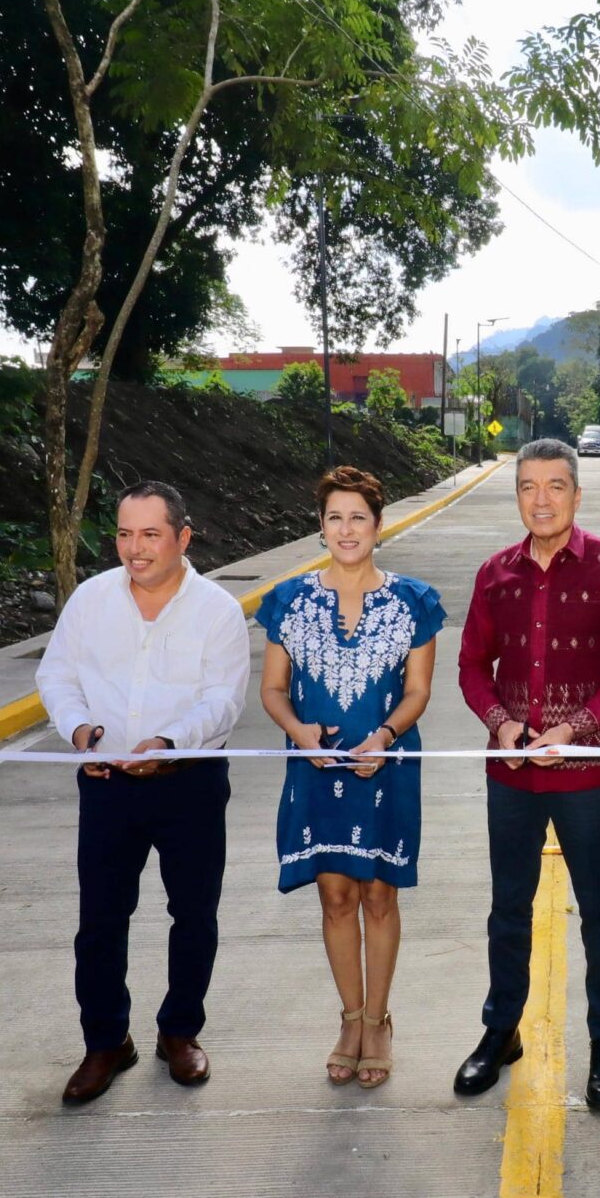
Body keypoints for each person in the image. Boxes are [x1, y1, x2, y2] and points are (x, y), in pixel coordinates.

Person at [453, 438, 600, 1111]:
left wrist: (573, 730)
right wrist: (503, 724)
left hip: (590, 774)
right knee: (508, 908)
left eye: (555, 486)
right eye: (528, 487)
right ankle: (499, 1031)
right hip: (511, 773)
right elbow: (472, 665)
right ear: (516, 495)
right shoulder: (494, 574)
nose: (541, 499)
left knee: (599, 912)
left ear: (576, 493)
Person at [37, 480, 250, 1104]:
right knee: (99, 921)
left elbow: (223, 700)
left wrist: (165, 742)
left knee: (193, 916)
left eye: (151, 534)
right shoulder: (90, 600)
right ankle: (105, 1043)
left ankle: (179, 1032)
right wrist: (82, 733)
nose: (135, 549)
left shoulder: (216, 610)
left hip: (190, 784)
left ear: (183, 537)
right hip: (105, 786)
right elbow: (57, 674)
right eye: (126, 534)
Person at [258, 466, 444, 1090]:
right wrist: (298, 732)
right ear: (320, 525)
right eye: (334, 517)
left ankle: (379, 1021)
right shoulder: (289, 602)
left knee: (378, 895)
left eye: (358, 517)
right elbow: (274, 690)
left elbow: (418, 691)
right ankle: (349, 1019)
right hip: (315, 768)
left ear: (378, 525)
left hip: (385, 765)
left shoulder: (413, 601)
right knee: (335, 894)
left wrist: (385, 737)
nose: (346, 529)